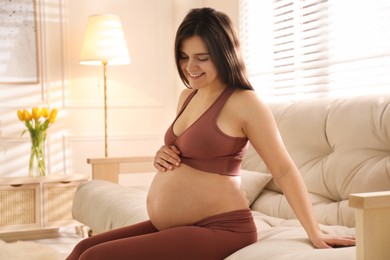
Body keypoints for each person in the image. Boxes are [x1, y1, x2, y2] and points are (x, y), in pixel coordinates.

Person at [67, 7, 355, 260]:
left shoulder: (244, 102)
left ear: (223, 55)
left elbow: (284, 170)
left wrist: (314, 231)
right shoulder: (188, 96)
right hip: (177, 225)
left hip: (222, 228)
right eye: (184, 57)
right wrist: (162, 155)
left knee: (95, 257)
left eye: (201, 58)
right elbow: (189, 152)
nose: (190, 67)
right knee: (83, 248)